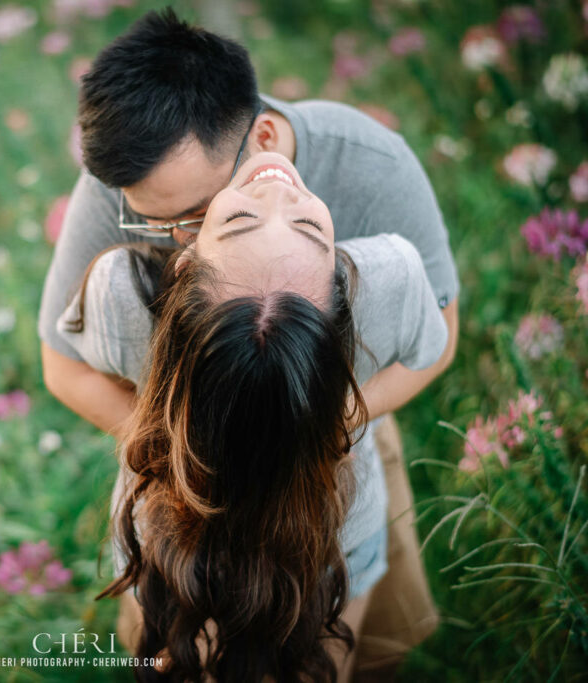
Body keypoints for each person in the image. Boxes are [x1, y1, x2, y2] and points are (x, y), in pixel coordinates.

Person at [37, 10, 459, 677]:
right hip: (175, 468)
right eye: (159, 225)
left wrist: (316, 430)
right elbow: (64, 371)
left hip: (340, 431)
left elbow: (440, 336)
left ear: (263, 136)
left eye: (201, 217)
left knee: (339, 640)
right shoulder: (126, 189)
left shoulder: (373, 170)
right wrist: (195, 450)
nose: (177, 235)